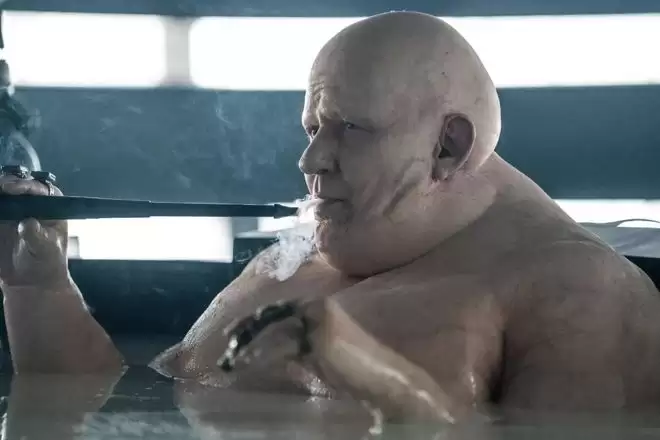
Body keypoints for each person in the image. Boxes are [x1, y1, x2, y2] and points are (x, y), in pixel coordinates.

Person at [2, 10, 660, 428]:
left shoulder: (580, 291)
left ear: (448, 146)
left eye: (350, 129)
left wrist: (363, 369)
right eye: (313, 128)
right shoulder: (293, 258)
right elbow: (108, 408)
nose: (311, 159)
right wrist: (38, 287)